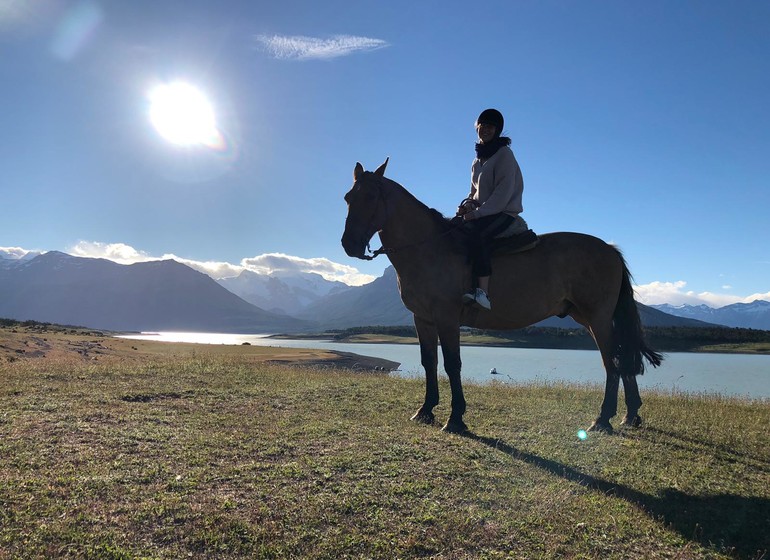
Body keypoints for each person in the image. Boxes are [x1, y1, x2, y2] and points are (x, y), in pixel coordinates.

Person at [457, 108, 525, 311]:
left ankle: (483, 293)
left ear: (497, 131)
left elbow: (502, 196)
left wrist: (475, 214)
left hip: (504, 212)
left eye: (490, 126)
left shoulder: (504, 155)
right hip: (485, 212)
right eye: (482, 125)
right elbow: (473, 193)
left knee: (478, 236)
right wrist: (466, 206)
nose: (485, 129)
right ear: (476, 128)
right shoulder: (476, 161)